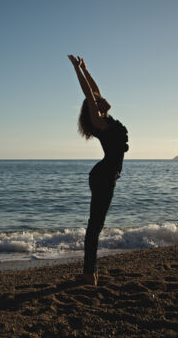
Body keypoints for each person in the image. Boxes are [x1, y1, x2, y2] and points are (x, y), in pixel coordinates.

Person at [68, 55, 129, 285]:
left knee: (97, 225)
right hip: (102, 177)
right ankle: (88, 273)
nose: (101, 98)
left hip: (107, 176)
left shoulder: (106, 119)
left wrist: (86, 68)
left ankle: (90, 272)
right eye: (97, 100)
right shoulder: (99, 122)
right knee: (95, 226)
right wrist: (77, 70)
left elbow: (94, 89)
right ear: (94, 107)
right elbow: (88, 93)